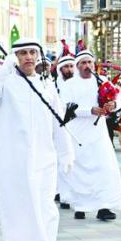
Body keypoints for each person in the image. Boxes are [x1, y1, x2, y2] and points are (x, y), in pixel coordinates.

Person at [0, 38, 75, 241]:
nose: (28, 57)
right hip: (13, 161)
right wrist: (3, 67)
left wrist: (66, 152)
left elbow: (58, 121)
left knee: (45, 211)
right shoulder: (6, 83)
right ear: (15, 56)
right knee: (17, 211)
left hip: (44, 159)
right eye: (22, 53)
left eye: (33, 52)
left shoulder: (47, 86)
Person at [60, 49, 121, 220]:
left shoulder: (101, 80)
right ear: (77, 66)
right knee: (80, 170)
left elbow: (119, 99)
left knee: (105, 168)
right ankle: (81, 205)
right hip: (78, 134)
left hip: (99, 133)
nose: (87, 66)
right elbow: (66, 107)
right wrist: (90, 110)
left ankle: (104, 207)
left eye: (89, 62)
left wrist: (113, 105)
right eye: (83, 63)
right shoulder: (69, 85)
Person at [53, 54, 76, 209]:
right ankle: (63, 193)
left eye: (71, 66)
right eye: (65, 67)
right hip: (61, 129)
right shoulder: (53, 86)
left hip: (79, 131)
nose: (69, 70)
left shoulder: (77, 84)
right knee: (61, 163)